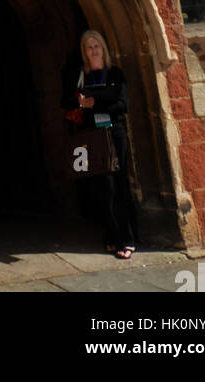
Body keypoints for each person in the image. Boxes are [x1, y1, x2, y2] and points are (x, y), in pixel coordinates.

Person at [61, 29, 139, 259]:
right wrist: (79, 102)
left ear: (103, 49)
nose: (94, 50)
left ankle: (128, 238)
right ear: (84, 52)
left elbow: (122, 105)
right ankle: (112, 235)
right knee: (101, 186)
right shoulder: (80, 76)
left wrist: (94, 104)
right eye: (89, 47)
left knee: (119, 184)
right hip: (90, 136)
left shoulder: (114, 74)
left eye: (97, 46)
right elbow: (64, 101)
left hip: (115, 134)